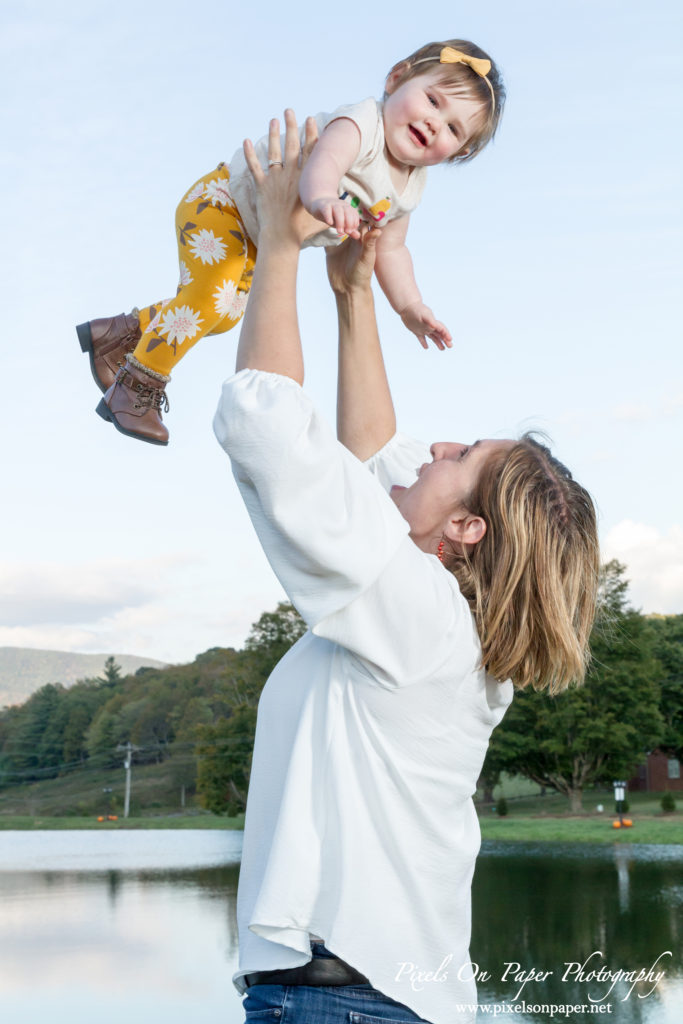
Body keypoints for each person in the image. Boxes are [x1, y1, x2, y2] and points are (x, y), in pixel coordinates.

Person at [212, 113, 600, 1024]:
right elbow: (379, 460)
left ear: (464, 528)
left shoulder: (421, 620)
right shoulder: (442, 628)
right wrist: (351, 293)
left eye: (458, 454)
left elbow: (278, 437)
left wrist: (277, 246)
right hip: (382, 1001)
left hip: (345, 1004)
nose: (437, 442)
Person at [76, 38, 505, 446]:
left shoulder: (410, 189)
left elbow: (391, 250)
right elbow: (326, 161)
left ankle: (116, 335)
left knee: (223, 315)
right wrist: (321, 196)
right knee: (211, 300)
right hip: (223, 202)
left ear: (457, 154)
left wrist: (410, 307)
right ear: (395, 79)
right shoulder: (362, 124)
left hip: (256, 240)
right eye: (432, 100)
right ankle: (134, 388)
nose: (434, 123)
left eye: (453, 128)